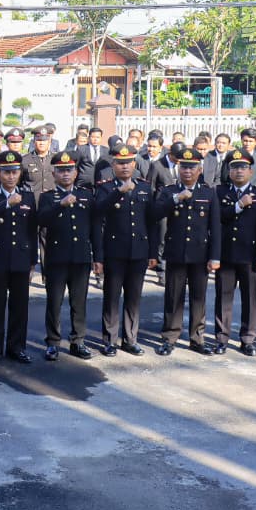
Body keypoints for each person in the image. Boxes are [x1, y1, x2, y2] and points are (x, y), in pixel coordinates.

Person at [151, 146, 221, 355]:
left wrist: (215, 256)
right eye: (184, 167)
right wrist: (176, 199)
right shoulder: (169, 191)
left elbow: (215, 227)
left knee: (199, 298)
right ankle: (169, 337)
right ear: (178, 169)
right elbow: (155, 214)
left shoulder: (208, 192)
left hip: (200, 253)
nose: (187, 171)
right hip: (176, 252)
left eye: (192, 167)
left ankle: (197, 339)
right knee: (173, 297)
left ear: (200, 169)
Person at [93, 144, 158, 356]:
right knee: (112, 297)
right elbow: (98, 214)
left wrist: (153, 253)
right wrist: (118, 192)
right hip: (114, 251)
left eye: (128, 162)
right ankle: (110, 340)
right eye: (120, 163)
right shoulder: (105, 188)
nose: (125, 166)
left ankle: (130, 339)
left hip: (139, 251)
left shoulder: (144, 187)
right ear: (113, 165)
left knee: (133, 298)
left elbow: (152, 222)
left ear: (134, 164)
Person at [0, 150, 37, 364]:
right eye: (6, 172)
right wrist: (6, 204)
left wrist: (33, 261)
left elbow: (32, 230)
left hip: (21, 258)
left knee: (20, 308)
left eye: (14, 172)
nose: (11, 176)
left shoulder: (28, 196)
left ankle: (16, 347)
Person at [37, 151, 97, 360]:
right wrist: (60, 204)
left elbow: (95, 227)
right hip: (57, 257)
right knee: (54, 303)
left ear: (76, 172)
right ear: (54, 173)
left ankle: (78, 341)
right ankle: (53, 342)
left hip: (81, 256)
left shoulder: (86, 195)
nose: (65, 174)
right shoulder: (47, 197)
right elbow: (41, 220)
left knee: (78, 303)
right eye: (61, 170)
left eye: (69, 170)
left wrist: (98, 257)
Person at [214, 149, 256, 355]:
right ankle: (222, 339)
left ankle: (247, 339)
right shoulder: (220, 192)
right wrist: (238, 205)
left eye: (243, 167)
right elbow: (217, 218)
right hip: (226, 254)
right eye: (235, 167)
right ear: (229, 171)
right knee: (224, 298)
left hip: (250, 256)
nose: (239, 171)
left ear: (250, 171)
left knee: (250, 300)